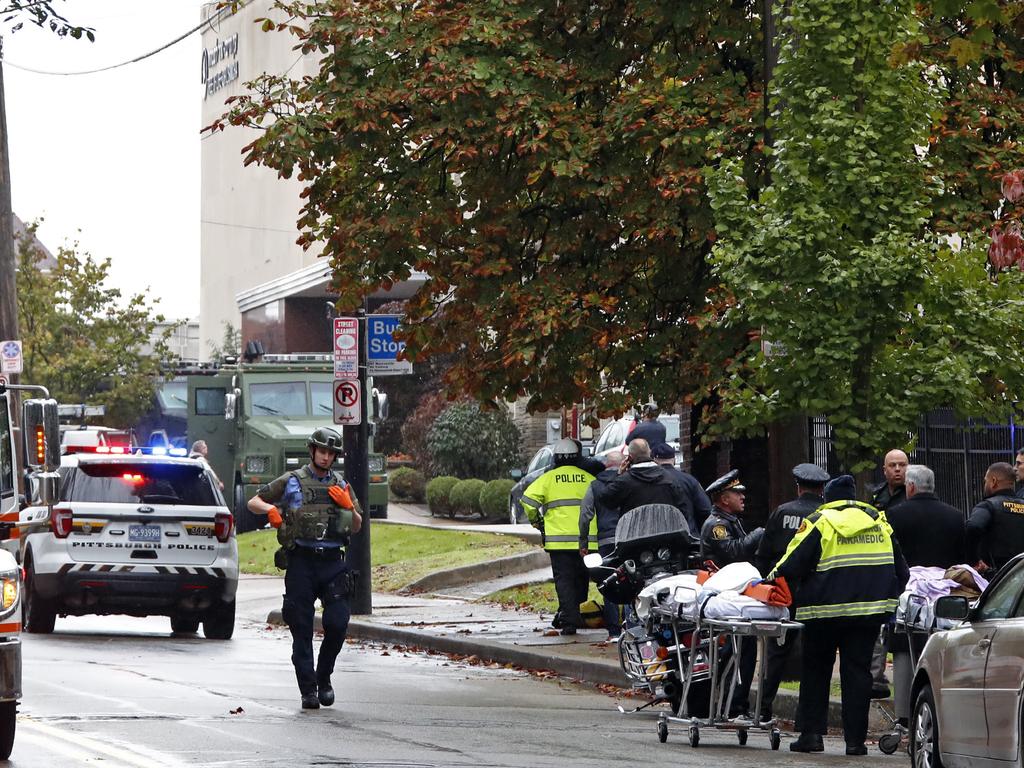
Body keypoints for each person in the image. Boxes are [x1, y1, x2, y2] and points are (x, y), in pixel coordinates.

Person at [770, 474, 908, 756]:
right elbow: (902, 571)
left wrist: (766, 582)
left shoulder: (821, 522)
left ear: (827, 498)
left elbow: (789, 564)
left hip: (823, 613)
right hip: (867, 614)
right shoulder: (880, 524)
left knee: (816, 671)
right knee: (858, 675)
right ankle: (855, 742)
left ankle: (812, 736)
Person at [246, 426, 361, 710]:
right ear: (312, 451)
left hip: (333, 562)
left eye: (330, 453)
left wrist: (349, 508)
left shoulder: (341, 484)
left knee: (337, 623)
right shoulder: (293, 480)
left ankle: (324, 677)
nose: (325, 457)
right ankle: (308, 689)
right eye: (322, 451)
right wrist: (270, 510)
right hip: (302, 561)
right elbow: (253, 501)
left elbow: (357, 526)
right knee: (301, 627)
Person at [885, 464, 965, 728]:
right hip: (944, 602)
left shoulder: (894, 516)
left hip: (909, 597)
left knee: (904, 651)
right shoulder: (955, 516)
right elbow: (962, 561)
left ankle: (904, 715)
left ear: (910, 487)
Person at [753, 462, 829, 724]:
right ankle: (805, 717)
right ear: (822, 489)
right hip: (817, 593)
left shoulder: (782, 513)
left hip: (783, 593)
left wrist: (766, 584)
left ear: (798, 487)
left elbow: (763, 555)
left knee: (776, 652)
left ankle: (763, 708)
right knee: (815, 653)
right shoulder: (826, 515)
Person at [700, 470, 764, 719]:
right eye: (737, 493)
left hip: (735, 596)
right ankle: (734, 705)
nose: (743, 497)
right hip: (726, 598)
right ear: (724, 499)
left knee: (741, 651)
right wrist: (759, 534)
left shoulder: (730, 520)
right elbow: (734, 553)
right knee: (738, 652)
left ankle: (733, 703)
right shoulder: (717, 525)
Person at [520, 438, 598, 635]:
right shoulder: (588, 478)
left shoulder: (548, 478)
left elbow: (527, 501)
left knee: (564, 581)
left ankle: (569, 620)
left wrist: (538, 522)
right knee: (582, 579)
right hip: (586, 540)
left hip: (559, 541)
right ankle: (577, 615)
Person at [868, 448, 908, 699]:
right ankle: (875, 678)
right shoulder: (877, 495)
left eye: (902, 465)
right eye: (892, 465)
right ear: (884, 469)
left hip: (907, 564)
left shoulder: (913, 494)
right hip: (883, 565)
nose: (897, 469)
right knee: (880, 625)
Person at [600, 439, 698, 534]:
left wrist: (618, 475)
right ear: (650, 453)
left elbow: (606, 499)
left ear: (629, 458)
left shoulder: (625, 480)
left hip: (633, 537)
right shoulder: (669, 478)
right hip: (664, 535)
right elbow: (683, 510)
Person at [578, 450, 625, 638]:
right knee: (632, 581)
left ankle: (614, 630)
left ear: (606, 465)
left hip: (605, 540)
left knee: (609, 583)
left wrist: (583, 541)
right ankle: (630, 625)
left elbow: (585, 515)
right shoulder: (628, 482)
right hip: (627, 538)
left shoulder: (595, 486)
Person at [966, 461, 1024, 573]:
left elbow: (973, 526)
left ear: (993, 481)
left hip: (995, 577)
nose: (985, 484)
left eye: (985, 481)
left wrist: (973, 561)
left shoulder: (988, 505)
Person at [651, 442, 713, 529]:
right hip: (687, 535)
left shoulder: (650, 481)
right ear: (674, 459)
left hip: (658, 536)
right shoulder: (690, 480)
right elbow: (706, 509)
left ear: (654, 461)